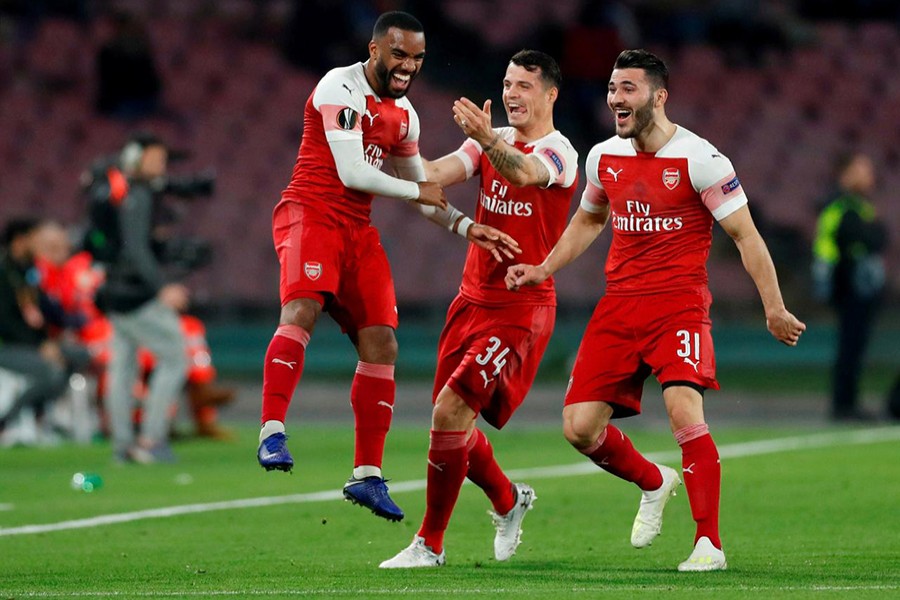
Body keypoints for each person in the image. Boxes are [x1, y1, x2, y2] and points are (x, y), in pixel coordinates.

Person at [506, 49, 806, 572]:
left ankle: (708, 544)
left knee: (684, 413)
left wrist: (774, 307)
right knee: (578, 428)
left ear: (658, 96)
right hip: (619, 306)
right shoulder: (603, 157)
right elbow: (587, 221)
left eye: (628, 89)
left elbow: (745, 236)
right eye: (612, 88)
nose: (615, 99)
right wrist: (542, 268)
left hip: (678, 306)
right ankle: (653, 480)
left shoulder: (701, 159)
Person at [256, 11, 519, 523]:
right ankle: (271, 431)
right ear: (375, 50)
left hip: (357, 230)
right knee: (303, 308)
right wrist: (417, 187)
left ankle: (368, 476)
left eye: (418, 58)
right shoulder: (340, 86)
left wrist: (468, 227)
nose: (408, 67)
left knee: (382, 342)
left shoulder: (406, 115)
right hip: (310, 214)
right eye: (399, 55)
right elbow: (355, 172)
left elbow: (423, 194)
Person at [380, 50, 578, 568]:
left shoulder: (561, 153)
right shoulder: (487, 143)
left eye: (524, 86)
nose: (511, 93)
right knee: (453, 427)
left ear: (550, 94)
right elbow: (435, 174)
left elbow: (526, 174)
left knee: (450, 411)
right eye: (507, 83)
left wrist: (490, 140)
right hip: (470, 300)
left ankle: (430, 544)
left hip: (521, 308)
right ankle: (509, 500)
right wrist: (388, 148)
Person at [96, 133, 190, 464]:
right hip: (135, 294)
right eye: (156, 157)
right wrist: (161, 286)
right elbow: (136, 248)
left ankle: (122, 445)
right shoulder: (139, 194)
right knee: (176, 358)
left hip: (114, 290)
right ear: (137, 158)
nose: (161, 165)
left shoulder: (120, 192)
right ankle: (151, 440)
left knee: (122, 368)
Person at [812, 152, 888, 421]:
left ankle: (847, 402)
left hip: (855, 289)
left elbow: (878, 237)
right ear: (846, 175)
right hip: (849, 287)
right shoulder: (843, 208)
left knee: (853, 346)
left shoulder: (857, 207)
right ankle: (844, 404)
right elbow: (870, 238)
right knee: (850, 346)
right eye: (862, 169)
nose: (869, 176)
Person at [0, 218, 90, 443]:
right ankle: (9, 419)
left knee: (82, 355)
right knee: (51, 371)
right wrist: (41, 346)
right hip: (9, 347)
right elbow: (5, 321)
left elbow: (44, 311)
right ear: (20, 241)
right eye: (35, 238)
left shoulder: (30, 271)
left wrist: (70, 324)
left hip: (36, 344)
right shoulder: (3, 273)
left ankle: (45, 414)